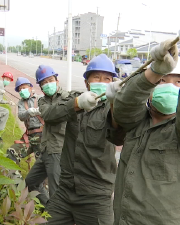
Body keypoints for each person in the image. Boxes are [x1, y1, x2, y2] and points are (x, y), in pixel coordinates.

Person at [109, 8, 180, 225]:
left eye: (179, 82)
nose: (170, 86)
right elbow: (123, 108)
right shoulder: (138, 121)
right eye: (162, 81)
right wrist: (153, 71)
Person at [45, 54, 125, 225]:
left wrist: (114, 103)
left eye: (107, 78)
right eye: (96, 76)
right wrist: (76, 104)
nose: (101, 81)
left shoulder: (110, 109)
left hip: (96, 195)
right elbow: (50, 115)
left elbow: (119, 138)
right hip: (65, 189)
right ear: (87, 82)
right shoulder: (75, 98)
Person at [25, 65, 68, 207]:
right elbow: (49, 114)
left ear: (56, 80)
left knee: (56, 191)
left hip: (58, 150)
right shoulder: (43, 101)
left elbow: (53, 114)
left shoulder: (67, 98)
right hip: (45, 150)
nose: (47, 84)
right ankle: (50, 208)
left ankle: (56, 217)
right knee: (30, 182)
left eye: (50, 80)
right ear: (41, 87)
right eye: (43, 83)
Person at [7, 77, 44, 162]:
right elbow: (21, 116)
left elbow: (49, 111)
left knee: (42, 163)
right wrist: (29, 112)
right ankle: (16, 175)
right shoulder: (21, 103)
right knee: (11, 152)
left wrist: (39, 111)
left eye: (24, 88)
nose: (22, 90)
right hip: (29, 137)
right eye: (20, 89)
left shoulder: (40, 98)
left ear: (30, 88)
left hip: (43, 135)